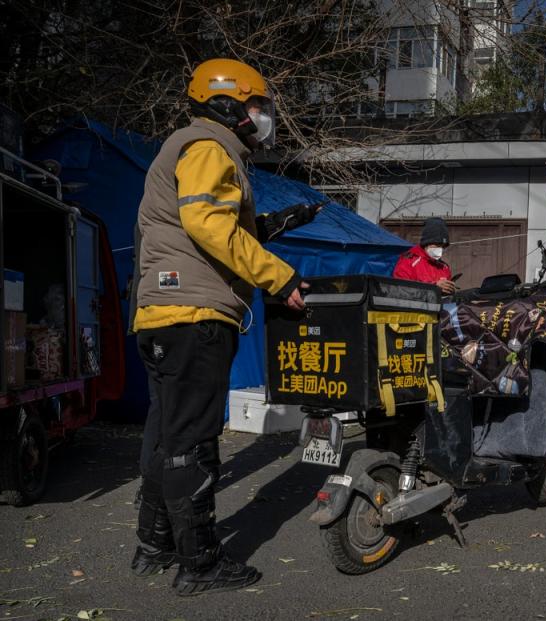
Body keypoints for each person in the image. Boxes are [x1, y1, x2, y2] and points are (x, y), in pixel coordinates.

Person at [130, 58, 319, 596]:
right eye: (257, 106)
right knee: (193, 441)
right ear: (227, 103)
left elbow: (208, 223)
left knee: (167, 436)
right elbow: (208, 224)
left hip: (163, 312)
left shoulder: (187, 148)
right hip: (195, 315)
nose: (263, 118)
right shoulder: (209, 148)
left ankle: (154, 545)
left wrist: (274, 225)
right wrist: (279, 278)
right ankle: (201, 563)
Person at [393, 217, 457, 294]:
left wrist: (450, 290)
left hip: (440, 305)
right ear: (426, 243)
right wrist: (434, 287)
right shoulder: (408, 261)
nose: (440, 249)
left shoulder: (444, 267)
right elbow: (401, 289)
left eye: (443, 246)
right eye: (437, 245)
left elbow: (445, 295)